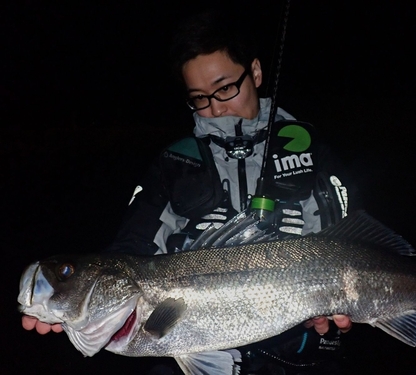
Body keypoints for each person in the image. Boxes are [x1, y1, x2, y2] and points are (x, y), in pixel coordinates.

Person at [22, 9, 355, 374]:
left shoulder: (306, 147)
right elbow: (131, 251)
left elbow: (353, 235)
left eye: (226, 88)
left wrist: (338, 293)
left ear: (256, 73)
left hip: (300, 345)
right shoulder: (175, 162)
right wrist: (78, 302)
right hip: (189, 337)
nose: (215, 107)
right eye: (199, 97)